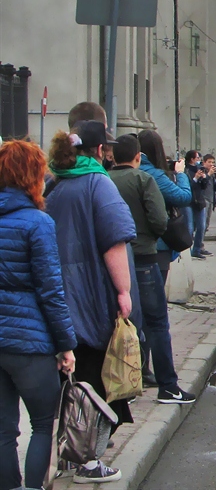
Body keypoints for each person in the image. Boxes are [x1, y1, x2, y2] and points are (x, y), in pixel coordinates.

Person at [46, 119, 135, 484]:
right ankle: (88, 459)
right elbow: (114, 242)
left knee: (71, 378)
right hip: (93, 294)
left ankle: (69, 455)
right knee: (97, 379)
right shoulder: (99, 184)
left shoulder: (53, 184)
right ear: (100, 151)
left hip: (56, 295)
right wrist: (124, 291)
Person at [0, 140, 77, 490]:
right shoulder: (37, 222)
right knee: (43, 423)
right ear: (32, 176)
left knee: (3, 430)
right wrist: (66, 345)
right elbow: (51, 291)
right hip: (29, 343)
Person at [108, 136, 197, 406]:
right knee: (156, 323)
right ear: (137, 157)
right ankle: (168, 386)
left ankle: (125, 385)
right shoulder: (143, 180)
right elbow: (160, 221)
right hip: (145, 257)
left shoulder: (103, 180)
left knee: (123, 323)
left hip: (113, 259)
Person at [137, 130, 191, 283]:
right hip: (157, 244)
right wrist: (180, 174)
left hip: (132, 243)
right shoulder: (155, 175)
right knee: (155, 292)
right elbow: (183, 196)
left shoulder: (127, 172)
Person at [188, 151, 216, 259]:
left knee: (203, 226)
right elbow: (197, 186)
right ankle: (194, 248)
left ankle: (199, 247)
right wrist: (206, 176)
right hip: (199, 200)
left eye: (212, 162)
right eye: (209, 162)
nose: (211, 164)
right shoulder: (196, 170)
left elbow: (211, 187)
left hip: (207, 200)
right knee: (195, 226)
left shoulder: (209, 172)